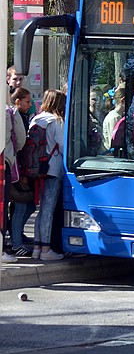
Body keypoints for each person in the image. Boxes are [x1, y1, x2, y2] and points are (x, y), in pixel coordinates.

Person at [29, 89, 66, 261]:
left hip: (36, 168)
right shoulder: (56, 121)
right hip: (52, 169)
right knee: (48, 210)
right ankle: (46, 249)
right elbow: (64, 146)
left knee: (41, 209)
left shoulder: (36, 119)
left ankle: (36, 247)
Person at [4, 88, 36, 260]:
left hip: (16, 163)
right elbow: (21, 140)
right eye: (27, 102)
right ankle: (15, 242)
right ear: (17, 101)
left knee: (24, 205)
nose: (30, 105)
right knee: (21, 204)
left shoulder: (22, 115)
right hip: (15, 163)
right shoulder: (13, 114)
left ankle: (15, 239)